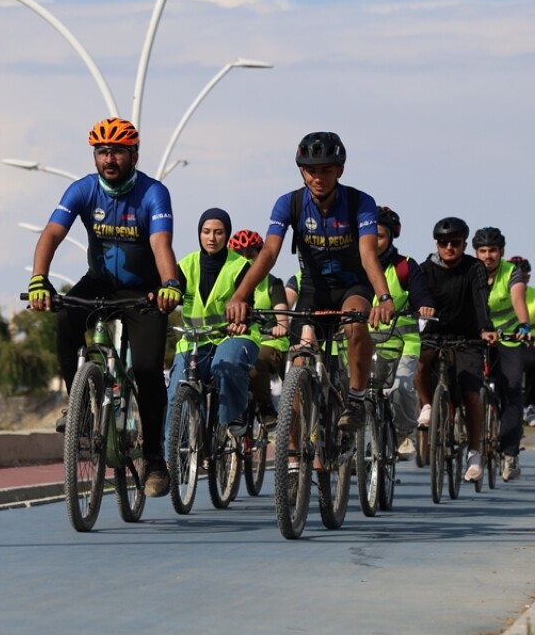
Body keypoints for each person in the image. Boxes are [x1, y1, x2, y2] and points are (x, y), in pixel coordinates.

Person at [28, 117, 181, 497]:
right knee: (65, 317)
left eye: (117, 152)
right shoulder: (82, 190)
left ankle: (155, 460)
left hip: (145, 290)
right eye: (102, 152)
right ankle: (77, 406)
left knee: (146, 370)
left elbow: (162, 243)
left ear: (134, 154)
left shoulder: (153, 193)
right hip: (100, 284)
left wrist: (170, 284)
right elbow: (51, 233)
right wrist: (39, 279)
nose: (109, 159)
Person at [224, 132, 394, 432]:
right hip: (313, 290)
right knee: (298, 370)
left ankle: (355, 400)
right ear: (301, 171)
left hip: (352, 286)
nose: (318, 177)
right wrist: (240, 295)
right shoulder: (289, 203)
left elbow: (368, 254)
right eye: (311, 170)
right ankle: (293, 462)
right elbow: (269, 253)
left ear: (339, 170)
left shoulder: (359, 202)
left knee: (355, 324)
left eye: (326, 169)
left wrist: (383, 297)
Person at [166, 211, 262, 446]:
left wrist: (241, 321)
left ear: (226, 235)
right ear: (199, 233)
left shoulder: (239, 266)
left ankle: (232, 416)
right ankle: (173, 458)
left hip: (232, 336)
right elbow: (171, 296)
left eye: (218, 232)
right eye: (206, 232)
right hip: (193, 341)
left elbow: (247, 302)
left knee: (224, 364)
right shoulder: (186, 265)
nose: (211, 238)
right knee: (175, 392)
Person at [415, 217, 497, 482]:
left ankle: (474, 454)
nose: (448, 247)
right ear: (436, 244)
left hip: (468, 336)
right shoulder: (425, 268)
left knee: (471, 391)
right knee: (420, 360)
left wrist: (485, 328)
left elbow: (481, 299)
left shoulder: (475, 269)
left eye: (455, 243)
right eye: (443, 243)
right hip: (435, 332)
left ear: (464, 244)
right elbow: (416, 295)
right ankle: (428, 405)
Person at [369, 207, 434, 459]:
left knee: (400, 388)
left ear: (391, 238)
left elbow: (421, 295)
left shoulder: (405, 267)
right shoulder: (355, 267)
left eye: (381, 236)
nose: (374, 242)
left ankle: (404, 432)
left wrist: (425, 305)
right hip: (366, 344)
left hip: (403, 343)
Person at [472, 227, 535, 482]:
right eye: (483, 251)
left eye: (493, 251)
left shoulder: (511, 272)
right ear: (476, 252)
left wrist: (523, 325)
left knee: (510, 389)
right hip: (477, 334)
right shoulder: (469, 271)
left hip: (508, 337)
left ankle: (509, 453)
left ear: (502, 252)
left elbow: (519, 299)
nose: (488, 256)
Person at [228, 228, 288, 429]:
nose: (246, 261)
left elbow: (282, 313)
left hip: (268, 342)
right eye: (239, 256)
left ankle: (265, 407)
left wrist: (281, 326)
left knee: (254, 362)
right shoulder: (227, 281)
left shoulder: (272, 283)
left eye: (251, 255)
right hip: (238, 339)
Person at [510, 255, 535, 424]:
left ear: (528, 277)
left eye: (524, 275)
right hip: (503, 338)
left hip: (528, 341)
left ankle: (529, 406)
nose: (520, 278)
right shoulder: (502, 293)